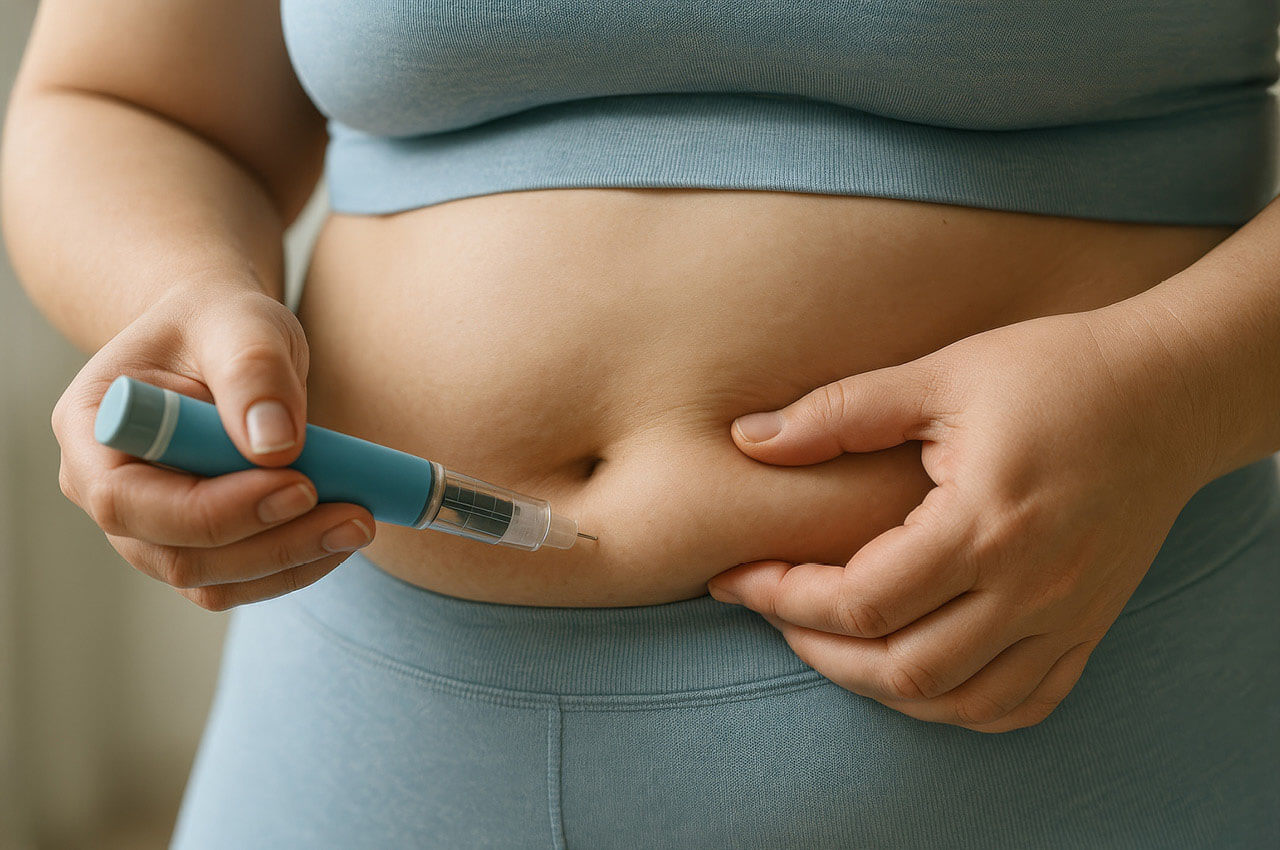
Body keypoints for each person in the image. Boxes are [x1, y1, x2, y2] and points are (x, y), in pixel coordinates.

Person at [4, 1, 1278, 847]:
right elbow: (124, 100)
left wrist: (1168, 386)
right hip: (365, 744)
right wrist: (176, 299)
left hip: (1070, 733)